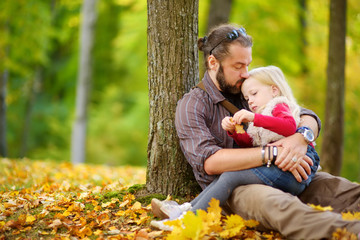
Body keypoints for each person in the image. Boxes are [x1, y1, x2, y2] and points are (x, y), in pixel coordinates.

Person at [151, 24, 360, 239]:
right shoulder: (193, 105)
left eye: (247, 65)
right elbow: (210, 162)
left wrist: (300, 138)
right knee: (285, 209)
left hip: (290, 170)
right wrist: (274, 153)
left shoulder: (248, 86)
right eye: (238, 66)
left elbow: (305, 114)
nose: (245, 73)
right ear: (213, 62)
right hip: (237, 188)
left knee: (347, 191)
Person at [151, 66, 320, 230]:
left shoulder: (278, 105)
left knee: (231, 176)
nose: (250, 101)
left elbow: (289, 127)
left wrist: (254, 118)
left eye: (254, 94)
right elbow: (249, 144)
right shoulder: (262, 113)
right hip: (279, 166)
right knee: (227, 175)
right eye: (247, 98)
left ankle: (188, 220)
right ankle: (186, 209)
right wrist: (235, 133)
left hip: (295, 170)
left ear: (274, 90)